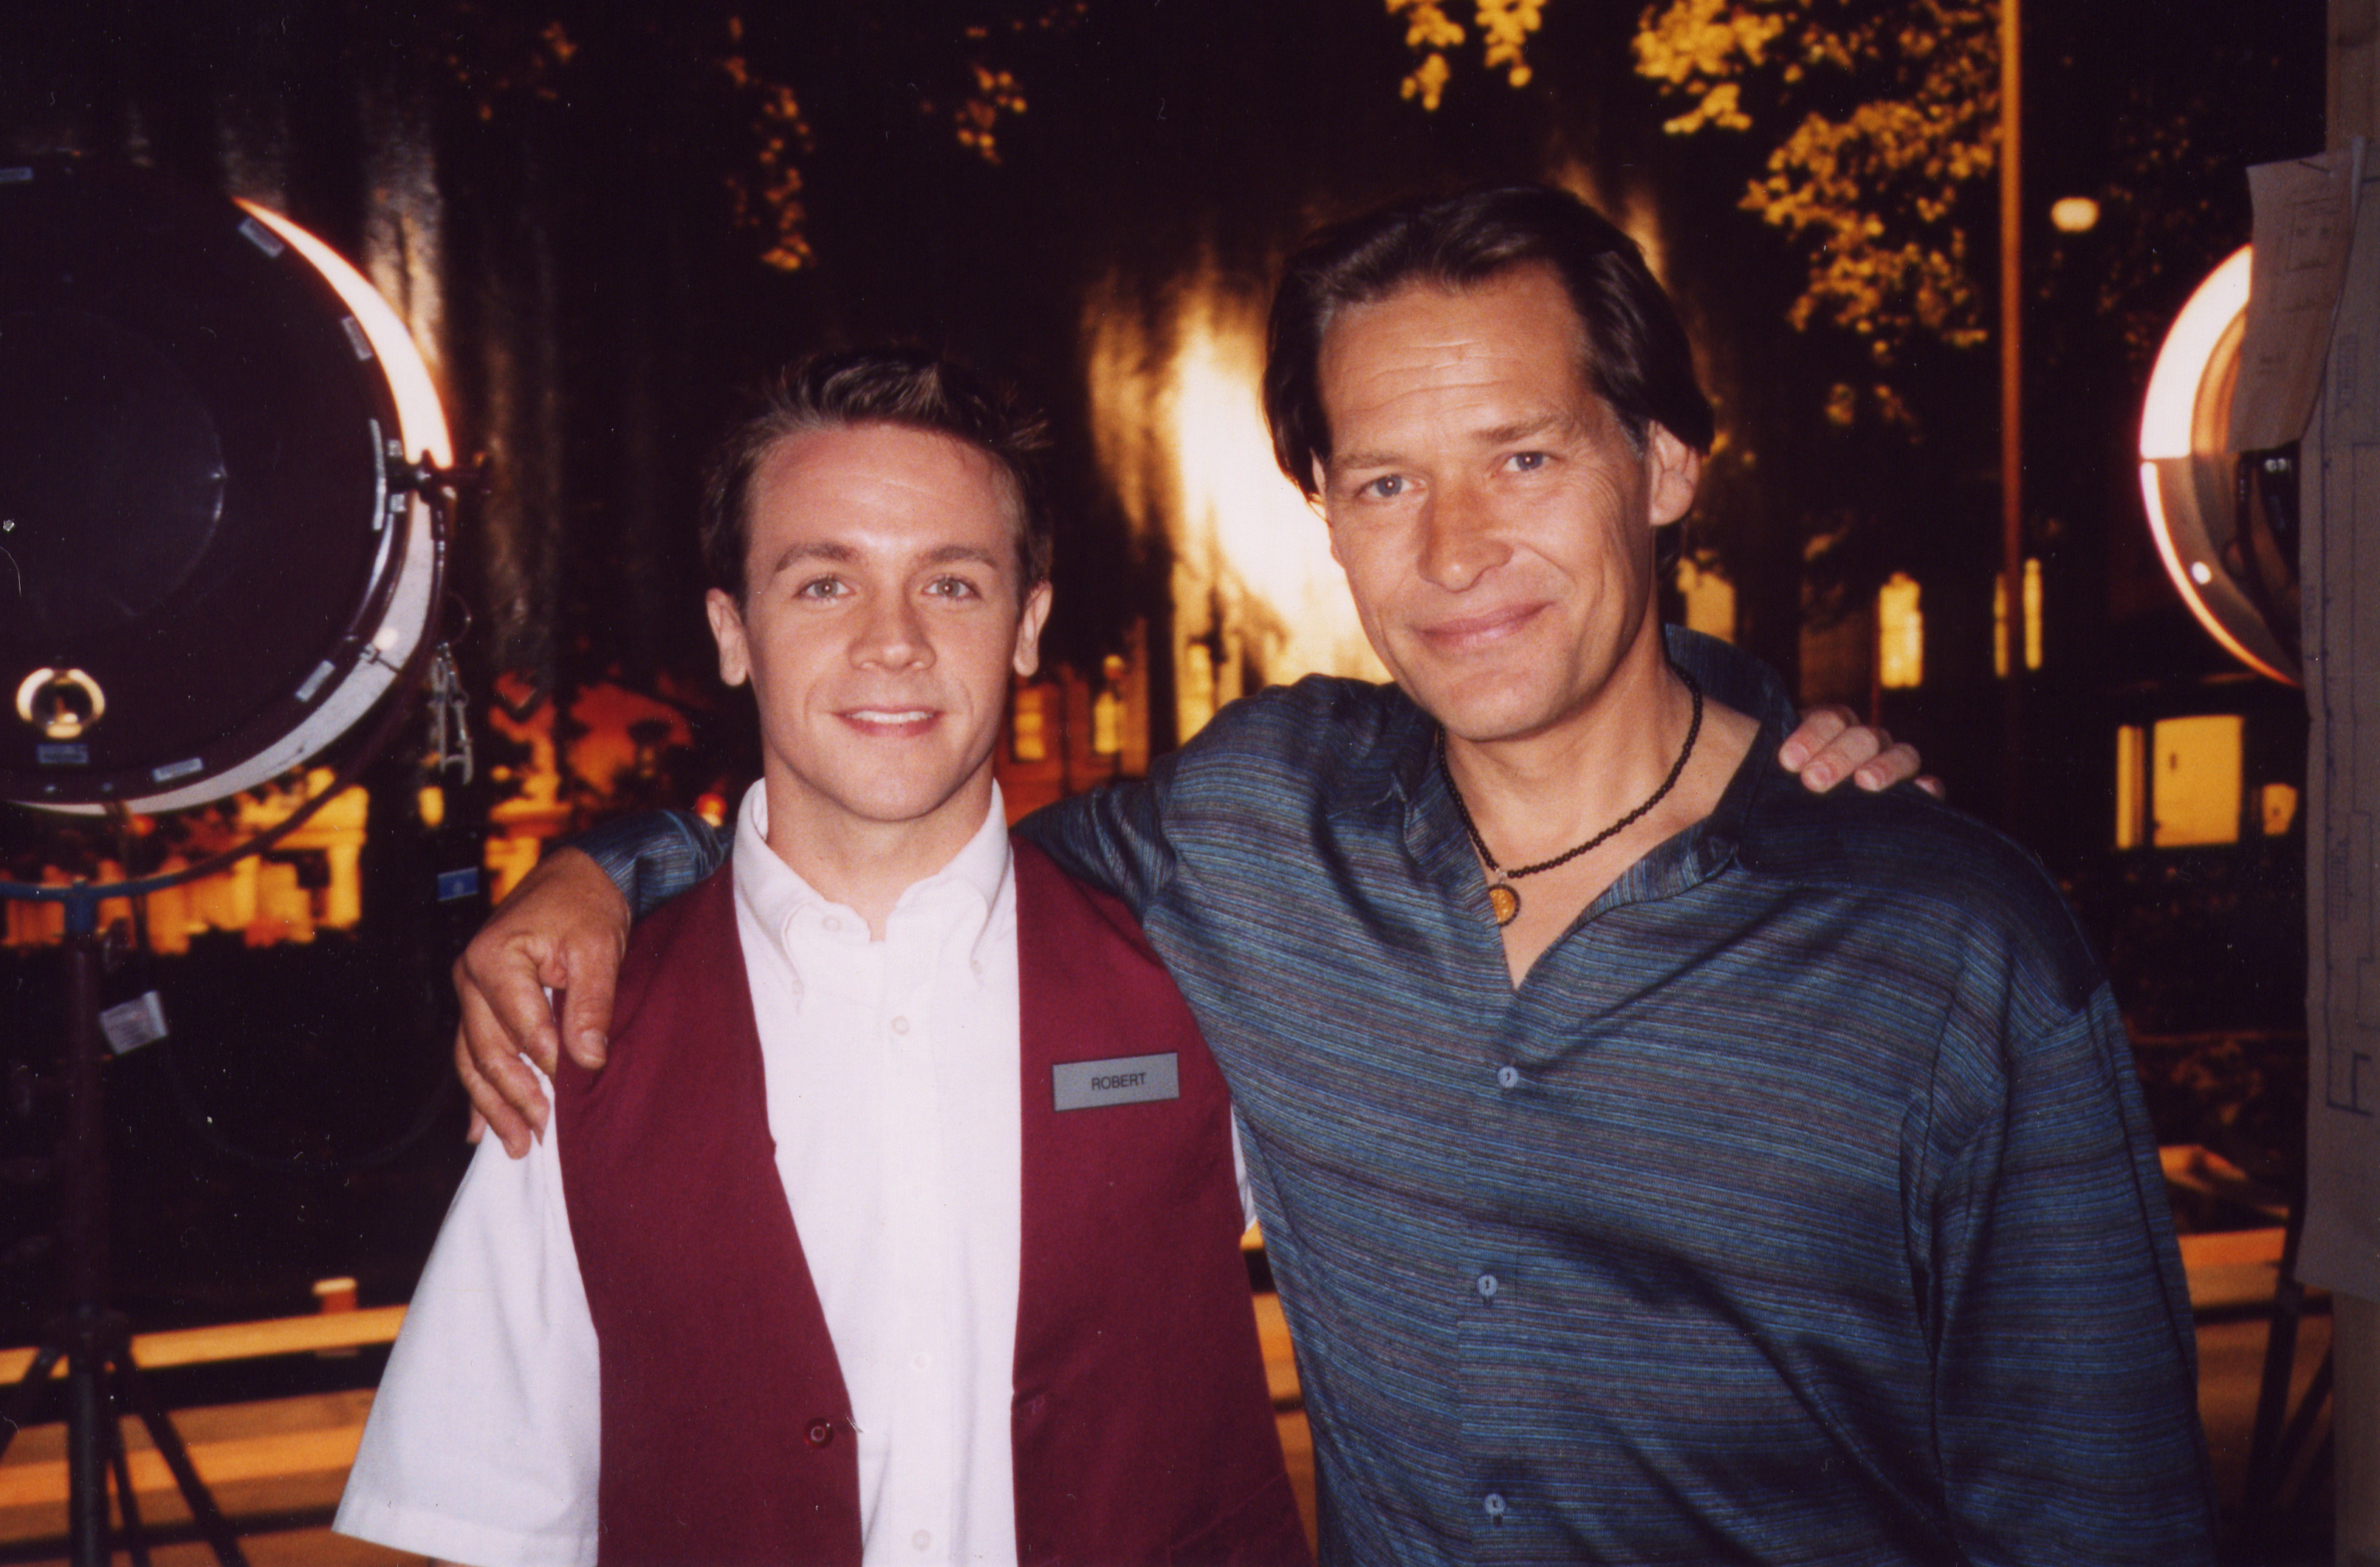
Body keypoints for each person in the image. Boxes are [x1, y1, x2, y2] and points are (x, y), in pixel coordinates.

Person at [457, 186, 2215, 1564]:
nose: (1454, 551)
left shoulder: (1948, 945)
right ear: (1326, 512)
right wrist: (617, 865)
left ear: (1664, 465)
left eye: (1521, 457)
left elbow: (2101, 1508)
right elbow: (892, 843)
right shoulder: (1256, 830)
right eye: (1384, 480)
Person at [336, 350, 1309, 1567]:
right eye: (823, 585)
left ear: (1028, 624)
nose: (892, 641)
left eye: (951, 584)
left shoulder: (1206, 983)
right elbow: (487, 1518)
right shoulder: (574, 1032)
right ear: (732, 631)